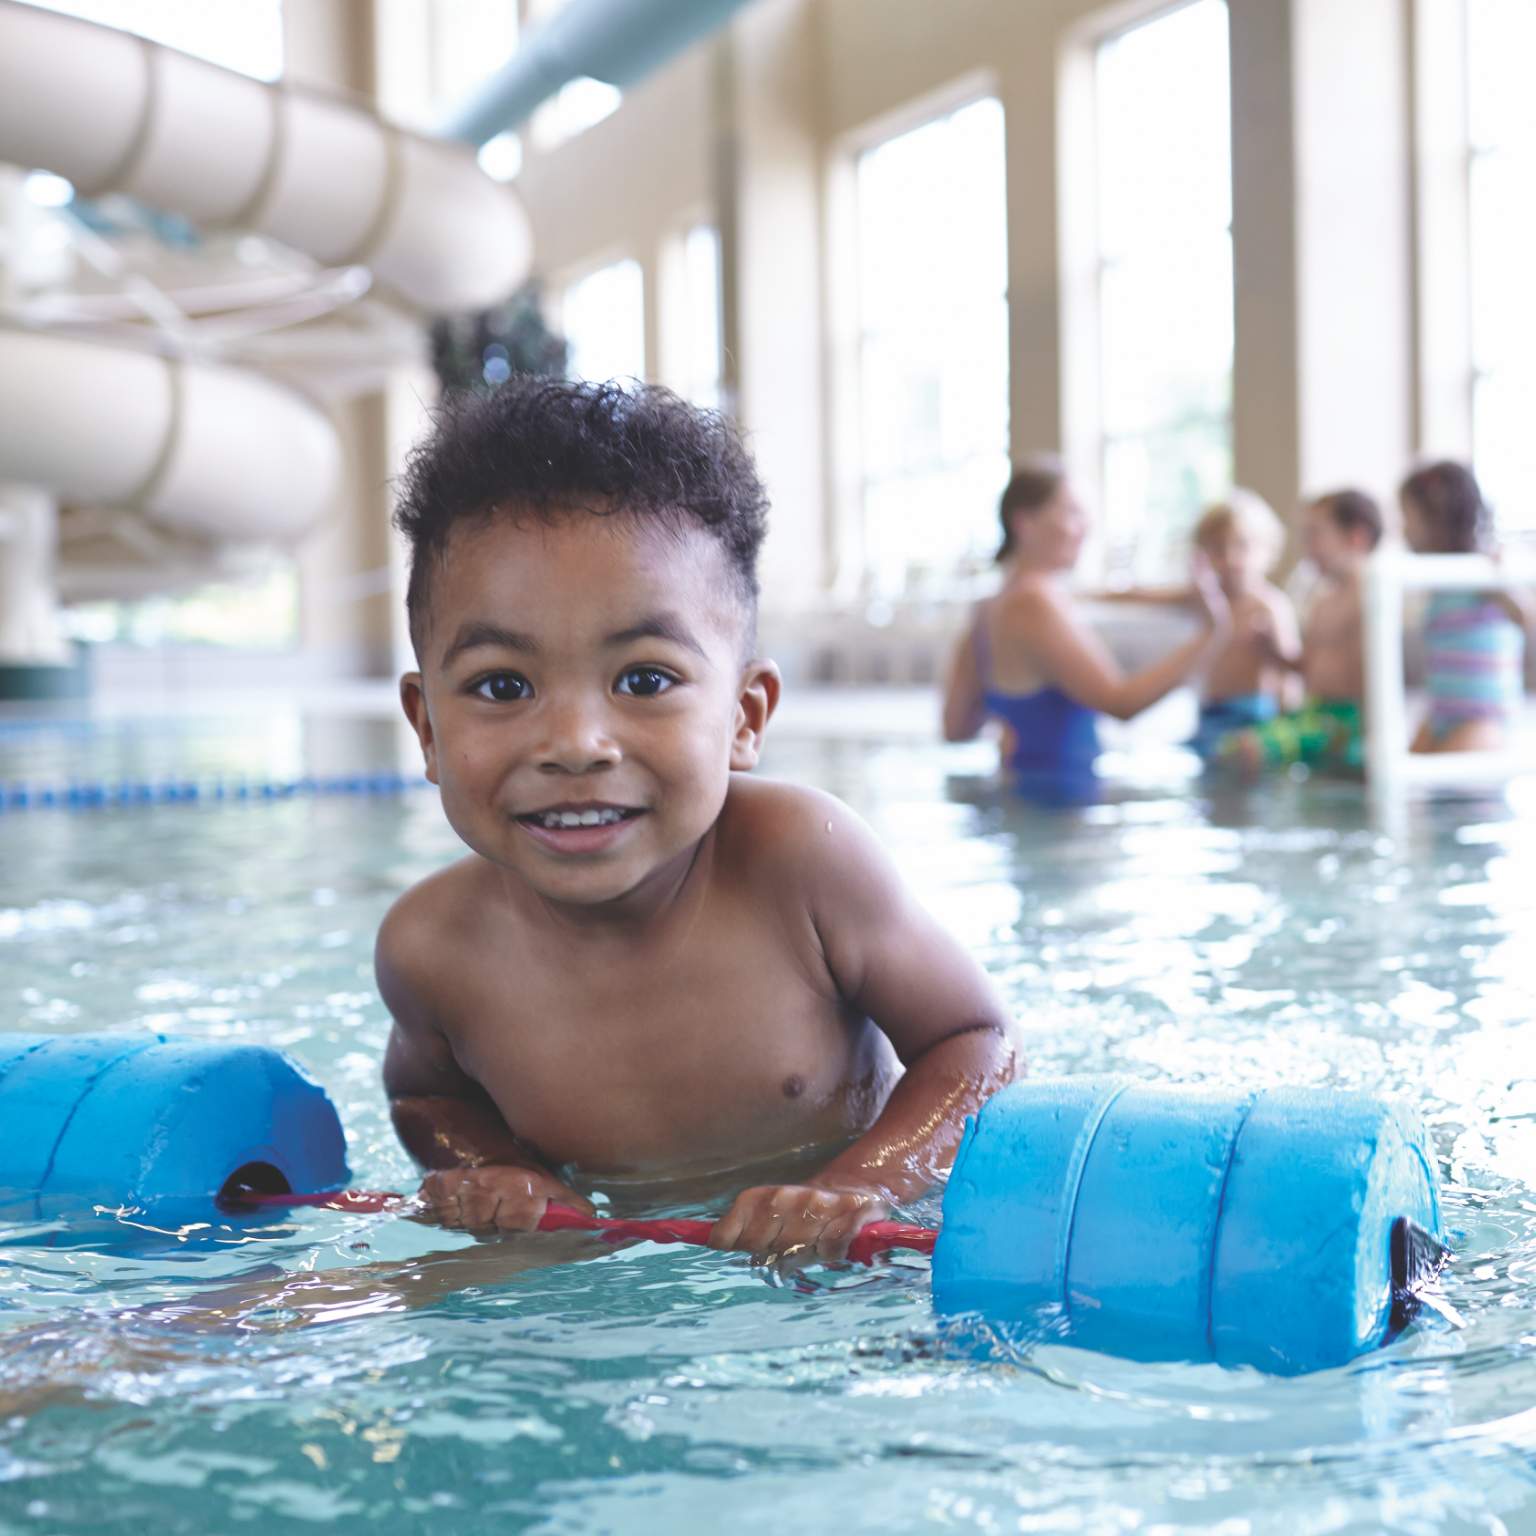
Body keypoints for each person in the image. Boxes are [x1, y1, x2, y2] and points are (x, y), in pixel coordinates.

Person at [377, 377, 1018, 1269]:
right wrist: (493, 1170)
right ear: (427, 729)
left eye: (644, 679)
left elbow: (976, 1045)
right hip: (600, 1278)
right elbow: (425, 1102)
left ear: (746, 716)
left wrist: (861, 1185)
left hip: (841, 1276)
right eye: (502, 686)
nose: (576, 743)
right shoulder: (432, 949)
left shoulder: (801, 868)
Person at [941, 459, 1230, 793]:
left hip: (1021, 796)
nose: (1086, 527)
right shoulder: (1037, 605)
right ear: (1025, 522)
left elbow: (956, 726)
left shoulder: (990, 608)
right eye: (1072, 513)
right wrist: (1210, 636)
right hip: (1060, 806)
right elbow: (1122, 703)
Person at [1225, 489, 1383, 774]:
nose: (1308, 548)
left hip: (1349, 720)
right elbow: (1308, 667)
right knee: (1230, 747)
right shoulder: (1322, 601)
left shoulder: (1372, 598)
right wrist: (1273, 652)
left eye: (1316, 535)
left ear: (1356, 537)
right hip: (1315, 714)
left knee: (1250, 748)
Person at [1399, 461, 1529, 754]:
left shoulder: (1481, 571)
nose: (1404, 528)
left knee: (1454, 787)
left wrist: (1503, 579)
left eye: (1409, 517)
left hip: (1481, 716)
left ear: (1438, 519)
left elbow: (1525, 616)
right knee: (1412, 776)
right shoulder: (1441, 577)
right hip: (1441, 712)